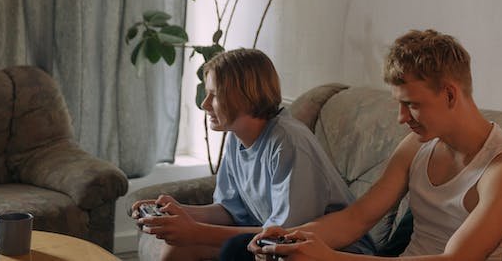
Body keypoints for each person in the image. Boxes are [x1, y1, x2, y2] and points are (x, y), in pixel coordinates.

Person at [247, 29, 502, 261]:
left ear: (451, 95)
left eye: (412, 104)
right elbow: (357, 218)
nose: (402, 118)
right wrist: (289, 238)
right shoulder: (417, 146)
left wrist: (330, 257)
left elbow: (456, 260)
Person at [131, 48, 374, 261]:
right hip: (273, 242)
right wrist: (179, 212)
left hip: (332, 249)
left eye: (213, 94)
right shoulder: (237, 138)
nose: (204, 104)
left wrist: (194, 230)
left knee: (194, 241)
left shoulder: (287, 142)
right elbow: (231, 210)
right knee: (180, 248)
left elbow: (284, 236)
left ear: (241, 95)